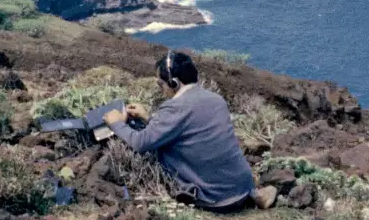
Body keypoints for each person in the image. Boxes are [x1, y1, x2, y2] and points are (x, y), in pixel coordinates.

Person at [101, 50, 259, 210]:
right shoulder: (216, 99)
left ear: (173, 83)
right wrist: (149, 118)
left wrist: (116, 123)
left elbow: (140, 143)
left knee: (160, 150)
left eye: (160, 84)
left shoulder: (175, 107)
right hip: (243, 188)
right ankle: (259, 196)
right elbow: (189, 129)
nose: (160, 89)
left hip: (216, 198)